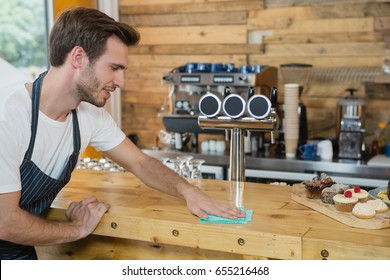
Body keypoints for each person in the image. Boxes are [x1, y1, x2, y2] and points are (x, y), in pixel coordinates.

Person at [0, 7, 245, 260]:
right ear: (78, 57)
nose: (121, 82)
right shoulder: (8, 116)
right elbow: (5, 222)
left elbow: (140, 162)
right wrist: (77, 228)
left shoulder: (88, 115)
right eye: (114, 68)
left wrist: (189, 192)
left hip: (20, 249)